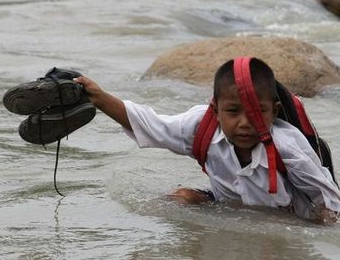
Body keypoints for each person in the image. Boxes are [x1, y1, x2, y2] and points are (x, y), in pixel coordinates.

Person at [74, 57, 340, 224]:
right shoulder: (201, 127)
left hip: (286, 216)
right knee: (177, 199)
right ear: (215, 109)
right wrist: (98, 97)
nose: (245, 123)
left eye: (258, 112)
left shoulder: (288, 146)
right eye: (233, 112)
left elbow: (330, 206)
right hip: (227, 204)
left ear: (276, 112)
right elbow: (149, 124)